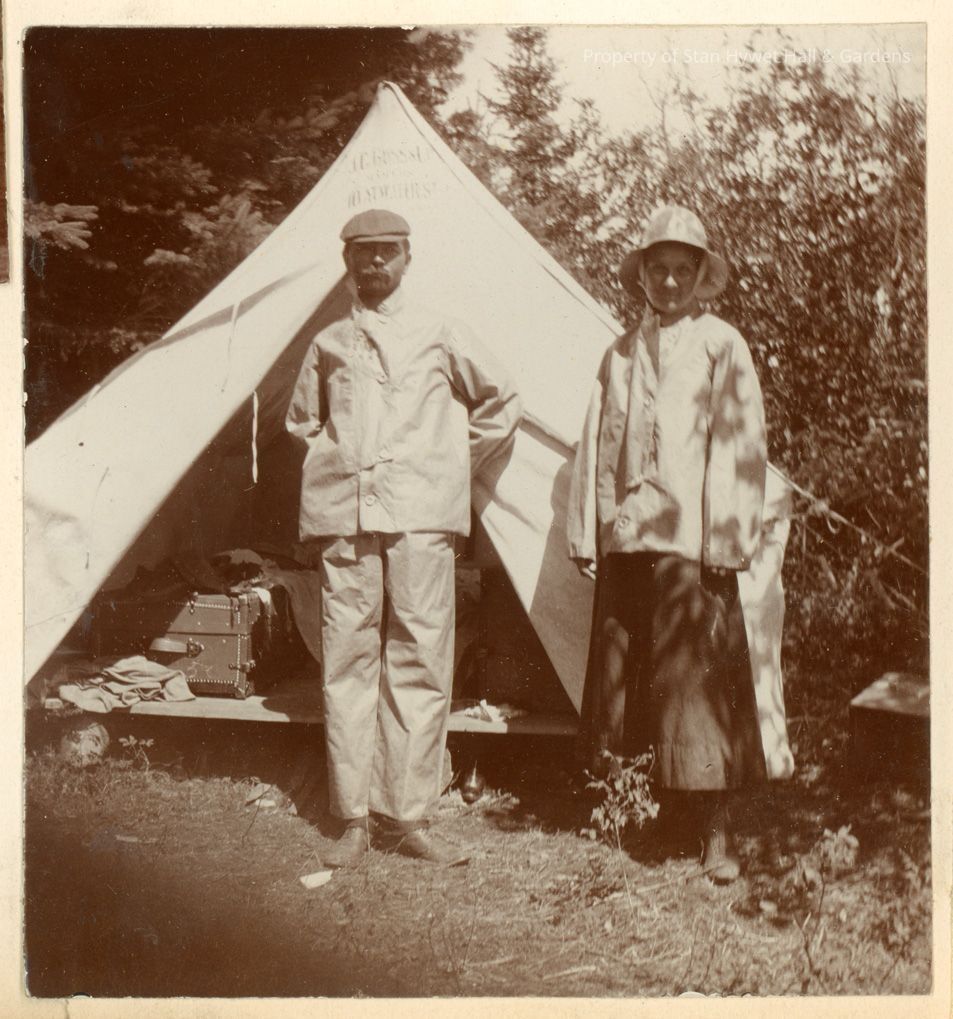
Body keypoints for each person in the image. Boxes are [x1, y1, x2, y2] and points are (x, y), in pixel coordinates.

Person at [286, 209, 522, 867]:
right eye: (362, 253)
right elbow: (302, 423)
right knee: (347, 657)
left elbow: (502, 401)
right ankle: (353, 816)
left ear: (407, 258)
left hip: (422, 517)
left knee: (420, 655)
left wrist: (446, 465)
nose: (374, 263)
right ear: (347, 262)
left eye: (387, 251)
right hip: (347, 518)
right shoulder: (329, 342)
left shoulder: (441, 333)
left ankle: (407, 814)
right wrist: (338, 467)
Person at [567, 205, 767, 883]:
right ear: (642, 276)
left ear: (702, 275)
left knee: (694, 682)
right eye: (660, 270)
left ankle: (715, 831)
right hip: (630, 535)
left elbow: (740, 443)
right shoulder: (619, 353)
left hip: (692, 540)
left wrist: (726, 538)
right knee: (628, 678)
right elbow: (596, 445)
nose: (671, 282)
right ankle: (644, 811)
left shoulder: (721, 345)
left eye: (684, 270)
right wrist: (589, 528)